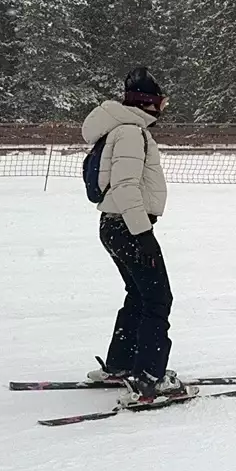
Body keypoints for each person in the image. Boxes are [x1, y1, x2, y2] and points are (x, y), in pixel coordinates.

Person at [81, 68, 184, 405]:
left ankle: (122, 365)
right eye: (162, 102)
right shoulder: (129, 132)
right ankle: (149, 380)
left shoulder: (123, 129)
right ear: (150, 104)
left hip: (116, 226)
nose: (164, 109)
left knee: (139, 296)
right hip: (126, 227)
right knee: (158, 300)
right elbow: (125, 187)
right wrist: (144, 235)